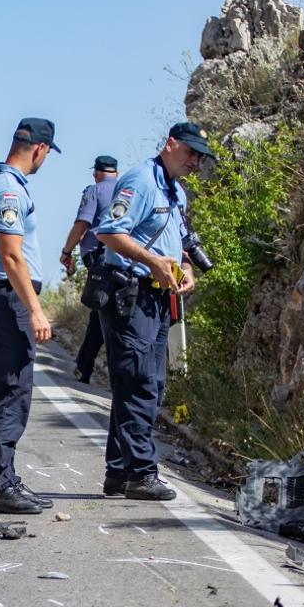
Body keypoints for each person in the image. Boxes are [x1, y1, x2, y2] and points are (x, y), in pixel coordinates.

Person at [91, 122, 215, 500]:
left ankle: (119, 471)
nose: (195, 161)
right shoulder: (141, 181)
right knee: (139, 382)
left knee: (148, 384)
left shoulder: (176, 192)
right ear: (170, 144)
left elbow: (177, 244)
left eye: (200, 156)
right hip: (131, 292)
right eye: (190, 152)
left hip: (159, 296)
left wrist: (185, 269)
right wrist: (153, 262)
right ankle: (142, 473)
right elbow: (109, 231)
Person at [0, 118, 59, 515]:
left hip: (5, 298)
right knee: (11, 390)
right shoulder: (9, 192)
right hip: (9, 301)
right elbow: (11, 256)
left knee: (13, 390)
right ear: (39, 149)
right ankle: (1, 485)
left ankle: (6, 479)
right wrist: (35, 309)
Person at [58, 154, 120, 382]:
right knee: (106, 311)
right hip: (127, 257)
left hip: (99, 258)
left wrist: (67, 252)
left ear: (96, 172)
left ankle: (87, 365)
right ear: (117, 173)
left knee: (102, 310)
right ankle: (86, 364)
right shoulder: (128, 188)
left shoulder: (94, 191)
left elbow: (82, 224)